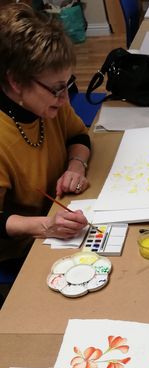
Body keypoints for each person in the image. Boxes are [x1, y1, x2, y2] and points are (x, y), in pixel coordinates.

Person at [0, 3, 90, 264]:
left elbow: (79, 137)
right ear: (16, 82)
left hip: (60, 221)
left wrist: (77, 166)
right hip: (22, 249)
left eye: (68, 86)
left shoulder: (51, 103)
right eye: (57, 89)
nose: (64, 98)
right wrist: (45, 225)